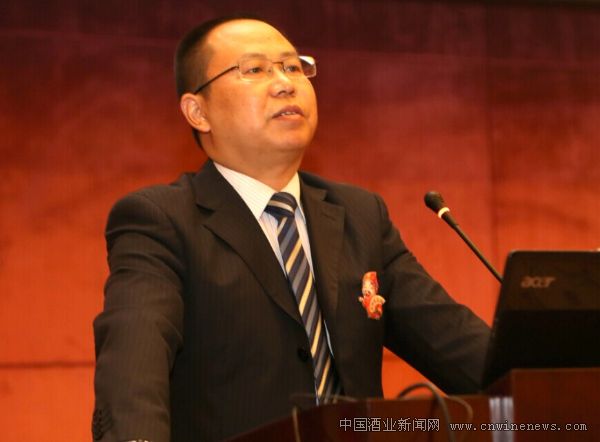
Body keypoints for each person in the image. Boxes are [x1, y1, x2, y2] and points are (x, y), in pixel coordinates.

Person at [92, 15, 491, 442]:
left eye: (294, 67)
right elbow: (131, 377)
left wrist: (540, 374)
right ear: (198, 111)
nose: (285, 83)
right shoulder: (160, 221)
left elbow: (458, 345)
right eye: (255, 69)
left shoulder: (359, 214)